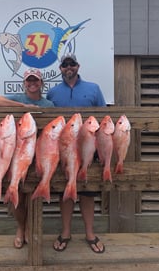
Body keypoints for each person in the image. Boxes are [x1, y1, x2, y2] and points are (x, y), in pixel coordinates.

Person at [47, 52, 106, 254]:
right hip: (63, 151)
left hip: (88, 149)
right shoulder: (53, 93)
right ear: (60, 69)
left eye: (72, 64)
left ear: (78, 66)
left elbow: (103, 118)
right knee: (66, 193)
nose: (68, 67)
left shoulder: (94, 88)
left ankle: (90, 233)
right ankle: (65, 232)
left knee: (88, 193)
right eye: (65, 65)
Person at [0, 68, 54, 249]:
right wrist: (25, 108)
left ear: (42, 83)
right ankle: (21, 227)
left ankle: (31, 230)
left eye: (36, 80)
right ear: (24, 83)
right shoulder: (17, 99)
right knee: (16, 193)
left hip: (39, 157)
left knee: (34, 196)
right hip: (16, 154)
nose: (32, 83)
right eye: (29, 80)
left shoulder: (48, 105)